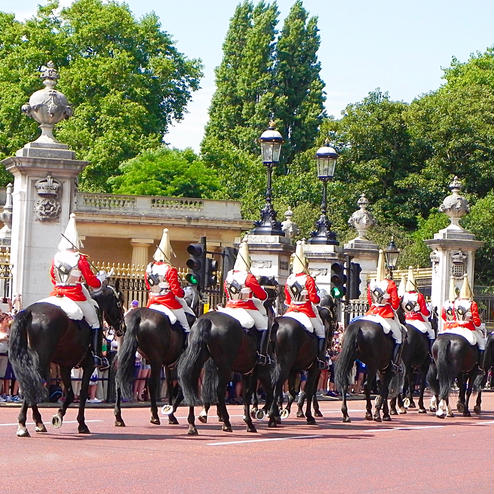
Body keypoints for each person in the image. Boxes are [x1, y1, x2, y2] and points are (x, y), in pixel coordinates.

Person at [50, 213, 107, 368]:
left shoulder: (56, 257)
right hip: (74, 295)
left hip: (57, 293)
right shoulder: (79, 258)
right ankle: (96, 356)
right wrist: (100, 279)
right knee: (95, 322)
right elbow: (92, 282)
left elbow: (52, 276)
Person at [220, 240, 270, 365]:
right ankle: (261, 354)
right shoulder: (248, 277)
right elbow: (261, 295)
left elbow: (226, 291)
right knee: (264, 325)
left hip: (229, 306)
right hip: (245, 307)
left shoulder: (229, 275)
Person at [284, 240, 327, 370]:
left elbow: (287, 298)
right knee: (321, 331)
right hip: (305, 310)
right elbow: (314, 299)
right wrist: (318, 298)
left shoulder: (289, 279)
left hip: (290, 310)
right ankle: (319, 358)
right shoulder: (308, 279)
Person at [145, 228, 193, 341]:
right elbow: (176, 291)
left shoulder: (149, 268)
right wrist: (184, 292)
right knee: (186, 325)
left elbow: (148, 286)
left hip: (152, 300)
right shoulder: (170, 269)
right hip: (167, 301)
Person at [365, 249, 403, 373]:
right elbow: (395, 303)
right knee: (398, 338)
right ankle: (394, 363)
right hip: (385, 314)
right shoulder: (390, 284)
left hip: (372, 313)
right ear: (386, 270)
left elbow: (370, 301)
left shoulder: (372, 284)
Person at [401, 266, 435, 356]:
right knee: (431, 333)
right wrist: (428, 316)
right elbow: (424, 311)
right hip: (417, 320)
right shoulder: (419, 296)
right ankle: (431, 355)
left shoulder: (403, 296)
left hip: (406, 319)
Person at [454, 274, 486, 366]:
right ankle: (480, 366)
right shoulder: (472, 303)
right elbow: (476, 320)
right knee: (482, 344)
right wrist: (480, 327)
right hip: (469, 328)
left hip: (456, 327)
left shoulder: (456, 302)